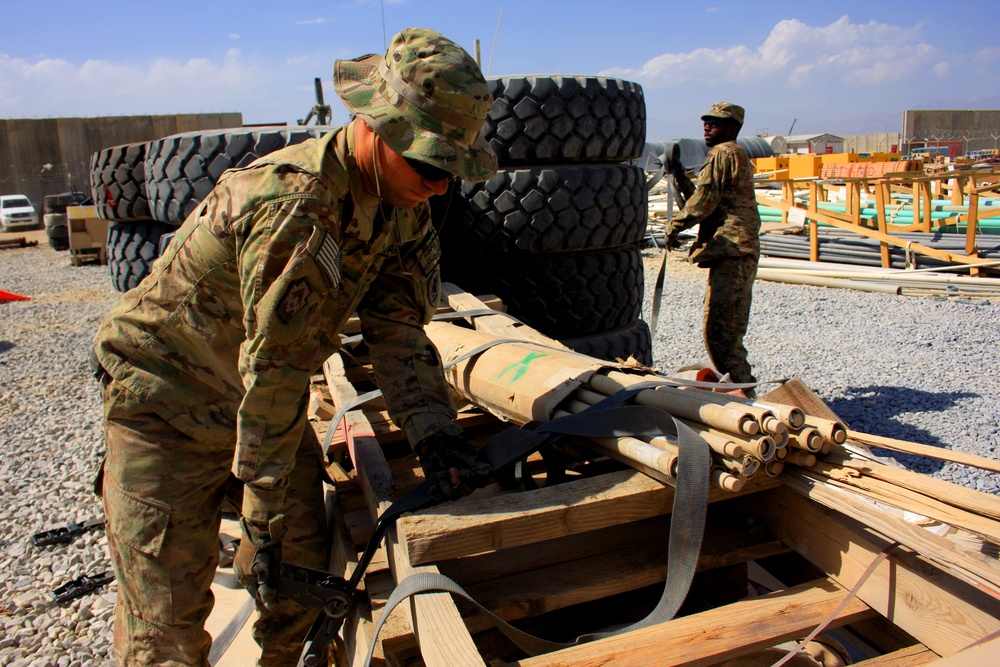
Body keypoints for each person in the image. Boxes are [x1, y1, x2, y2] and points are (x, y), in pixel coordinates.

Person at [91, 27, 495, 666]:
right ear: (374, 126)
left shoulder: (403, 204)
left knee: (304, 585)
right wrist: (263, 519)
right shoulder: (298, 206)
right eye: (427, 163)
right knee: (167, 631)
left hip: (252, 400)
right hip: (164, 404)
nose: (440, 184)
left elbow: (397, 331)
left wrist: (435, 434)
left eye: (452, 170)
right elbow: (275, 375)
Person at [663, 102, 761, 397]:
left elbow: (704, 201)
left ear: (731, 128)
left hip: (733, 252)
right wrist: (680, 175)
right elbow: (709, 198)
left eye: (715, 123)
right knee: (724, 330)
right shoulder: (733, 155)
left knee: (722, 333)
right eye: (706, 122)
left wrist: (674, 226)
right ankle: (741, 392)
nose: (707, 127)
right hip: (734, 252)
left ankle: (746, 398)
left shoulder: (723, 152)